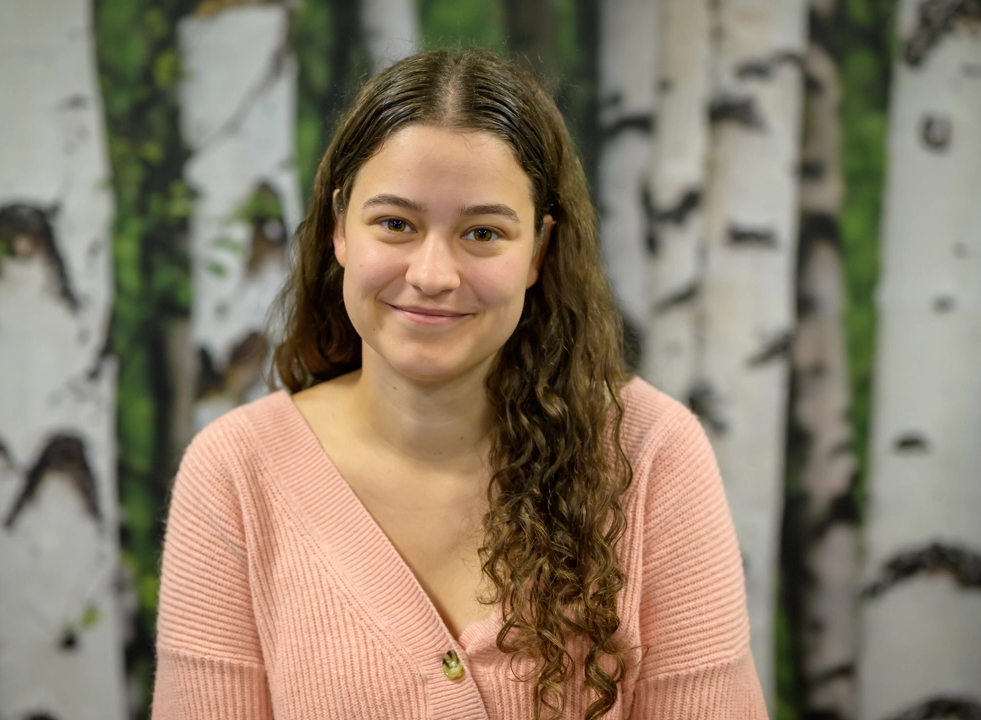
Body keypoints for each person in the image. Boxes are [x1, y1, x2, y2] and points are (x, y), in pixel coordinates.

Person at [151, 50, 766, 719]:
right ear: (339, 230)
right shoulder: (235, 474)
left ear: (537, 251)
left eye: (482, 232)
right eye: (395, 224)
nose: (433, 274)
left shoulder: (651, 455)